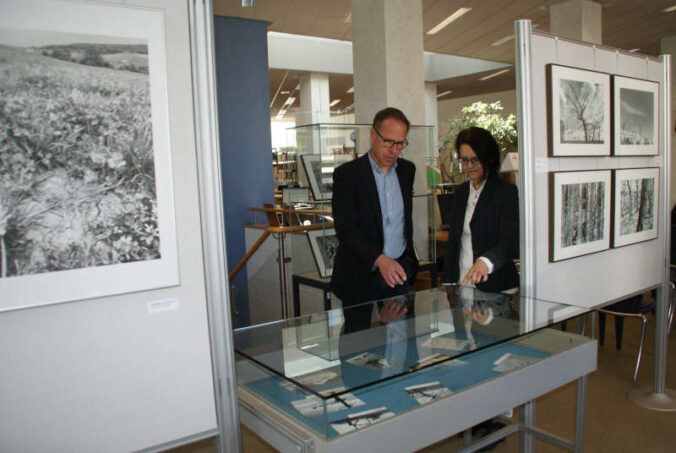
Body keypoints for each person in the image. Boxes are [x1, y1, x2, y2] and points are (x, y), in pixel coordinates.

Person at [330, 107, 419, 319]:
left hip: (399, 273)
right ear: (373, 134)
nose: (394, 150)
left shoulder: (407, 171)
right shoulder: (348, 175)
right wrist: (379, 259)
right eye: (388, 141)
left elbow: (403, 221)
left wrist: (406, 261)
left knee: (400, 344)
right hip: (360, 276)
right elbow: (346, 229)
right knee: (360, 346)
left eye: (400, 144)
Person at [441, 126, 519, 295]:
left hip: (496, 286)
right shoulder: (461, 192)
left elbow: (510, 241)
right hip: (462, 284)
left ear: (488, 158)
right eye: (464, 160)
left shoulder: (505, 192)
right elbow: (453, 241)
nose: (469, 166)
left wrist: (486, 261)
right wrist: (448, 282)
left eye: (475, 160)